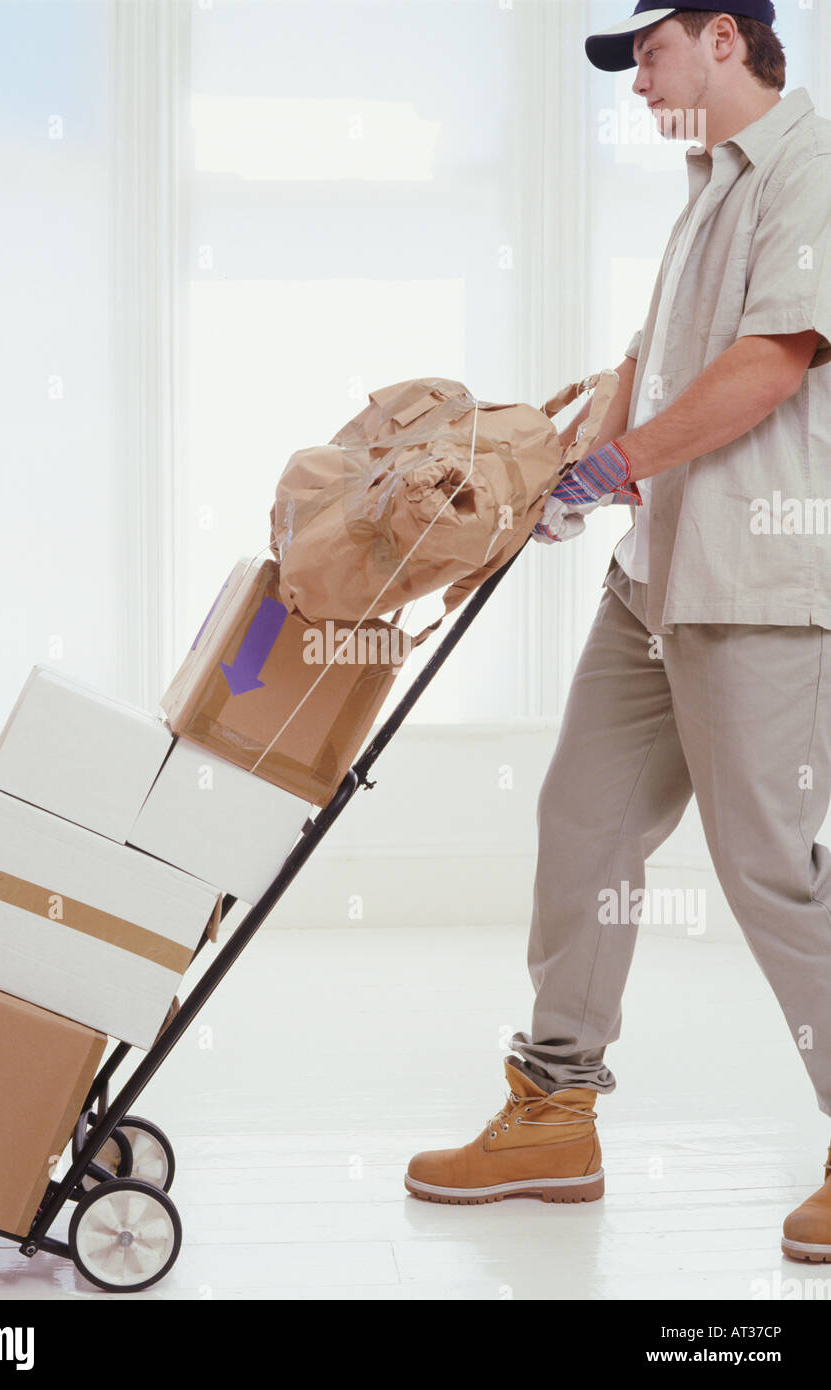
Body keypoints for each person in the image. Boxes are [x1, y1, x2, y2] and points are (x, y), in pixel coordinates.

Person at [405, 2, 831, 1264]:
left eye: (644, 55)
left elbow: (772, 360)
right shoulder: (712, 185)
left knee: (768, 868)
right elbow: (659, 363)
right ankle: (553, 1111)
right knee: (583, 821)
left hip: (753, 583)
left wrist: (619, 464)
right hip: (655, 582)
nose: (637, 87)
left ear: (717, 37)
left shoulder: (809, 166)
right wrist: (550, 453)